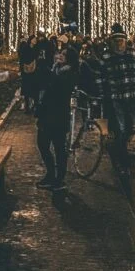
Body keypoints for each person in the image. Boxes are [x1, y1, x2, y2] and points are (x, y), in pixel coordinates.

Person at [98, 24, 135, 171]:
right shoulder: (106, 56)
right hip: (116, 96)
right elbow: (100, 76)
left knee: (130, 126)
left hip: (132, 95)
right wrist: (102, 92)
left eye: (121, 41)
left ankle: (121, 149)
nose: (119, 44)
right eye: (116, 41)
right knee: (120, 127)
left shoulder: (133, 54)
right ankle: (121, 157)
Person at [36, 44, 79, 190]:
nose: (59, 55)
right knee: (45, 144)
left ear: (69, 60)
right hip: (50, 114)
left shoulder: (68, 73)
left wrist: (48, 74)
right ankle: (53, 175)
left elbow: (56, 89)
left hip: (57, 115)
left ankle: (57, 178)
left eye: (64, 55)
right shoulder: (57, 70)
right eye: (60, 53)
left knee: (57, 147)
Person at [18, 34, 37, 113]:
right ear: (30, 40)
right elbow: (22, 58)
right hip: (26, 71)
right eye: (34, 39)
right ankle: (27, 106)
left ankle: (32, 106)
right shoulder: (26, 48)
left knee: (33, 89)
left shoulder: (36, 48)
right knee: (27, 89)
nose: (35, 40)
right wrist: (23, 68)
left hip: (34, 71)